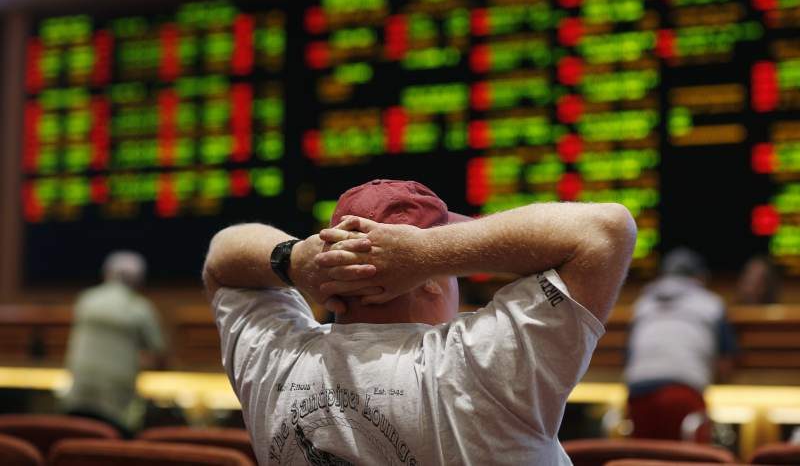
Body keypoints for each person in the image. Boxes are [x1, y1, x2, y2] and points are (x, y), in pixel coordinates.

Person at [203, 179, 636, 465]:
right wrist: (429, 254)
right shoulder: (480, 366)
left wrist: (293, 259)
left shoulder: (276, 363)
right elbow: (605, 229)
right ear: (428, 279)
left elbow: (223, 259)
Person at [623, 247, 737, 442]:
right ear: (699, 277)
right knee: (690, 456)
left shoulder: (642, 304)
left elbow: (628, 357)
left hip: (638, 391)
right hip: (683, 390)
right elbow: (725, 362)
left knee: (644, 455)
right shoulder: (711, 303)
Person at [62, 250, 166, 437]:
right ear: (138, 280)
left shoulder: (86, 300)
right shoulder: (140, 308)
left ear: (107, 273)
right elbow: (159, 352)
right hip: (116, 405)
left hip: (76, 396)